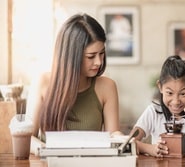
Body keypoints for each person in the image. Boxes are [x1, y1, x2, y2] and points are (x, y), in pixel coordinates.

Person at [26, 13, 122, 155]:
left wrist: (121, 138)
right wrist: (46, 151)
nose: (99, 62)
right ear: (71, 56)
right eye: (91, 56)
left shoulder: (107, 87)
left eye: (102, 53)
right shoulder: (42, 83)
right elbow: (27, 138)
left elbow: (113, 135)